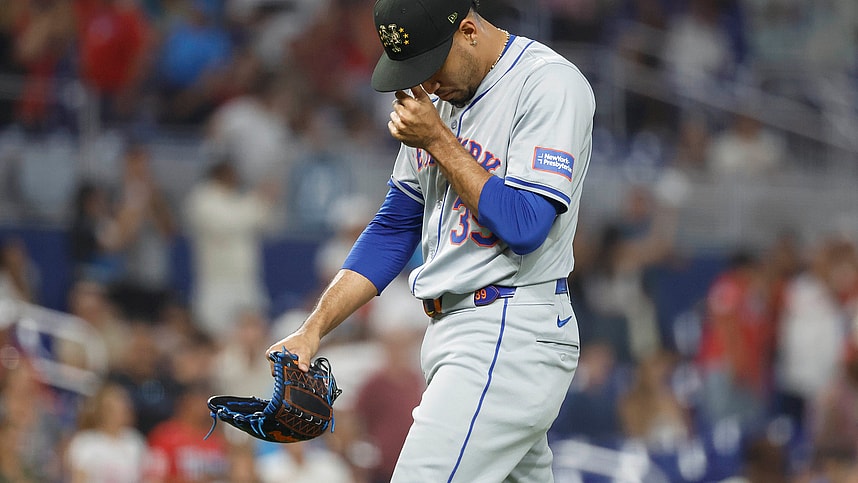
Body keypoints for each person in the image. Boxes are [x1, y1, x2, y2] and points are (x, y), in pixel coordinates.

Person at [266, 0, 595, 481]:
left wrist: (438, 138)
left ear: (467, 31)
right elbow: (393, 227)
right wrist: (314, 329)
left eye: (430, 62)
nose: (426, 82)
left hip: (508, 326)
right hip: (453, 333)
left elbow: (527, 225)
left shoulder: (547, 83)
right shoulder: (435, 105)